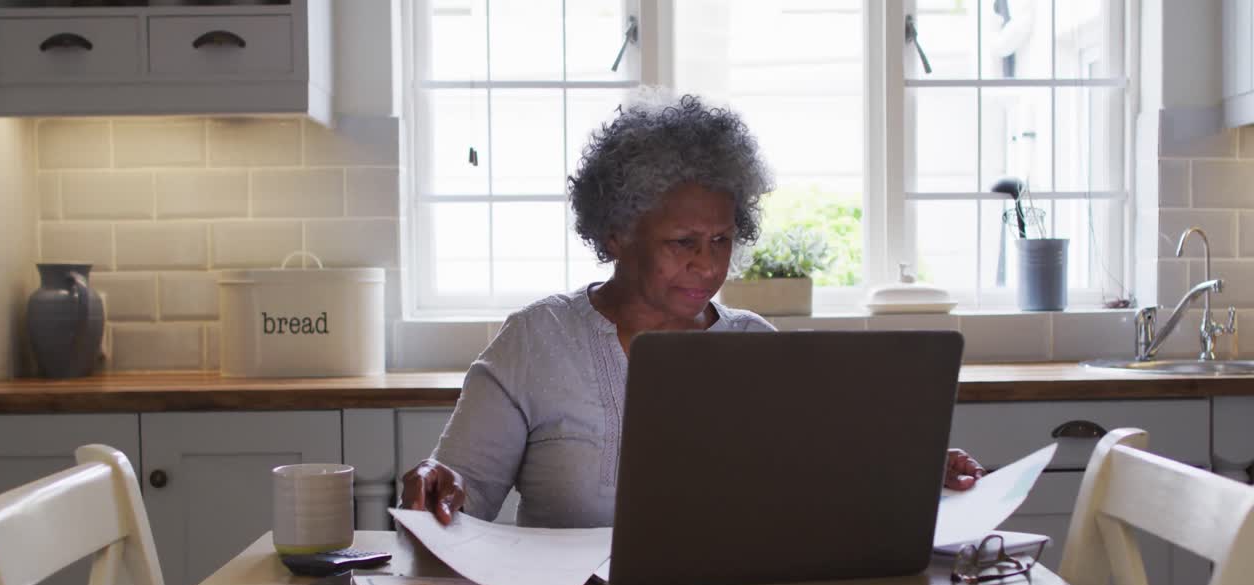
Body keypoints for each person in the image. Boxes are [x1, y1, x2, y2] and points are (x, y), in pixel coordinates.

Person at [402, 91, 984, 528]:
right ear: (617, 235)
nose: (707, 266)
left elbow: (824, 482)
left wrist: (913, 472)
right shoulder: (538, 340)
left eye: (722, 241)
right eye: (683, 243)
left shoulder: (755, 347)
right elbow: (463, 495)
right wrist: (439, 489)